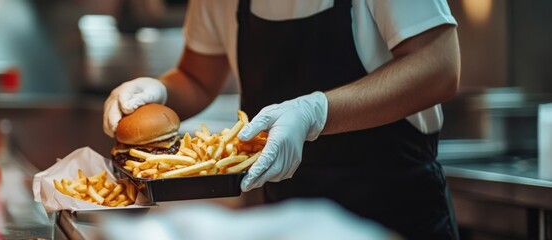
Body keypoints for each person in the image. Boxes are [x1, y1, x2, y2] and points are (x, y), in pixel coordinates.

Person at [103, 0, 461, 238]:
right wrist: (158, 91)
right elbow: (197, 79)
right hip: (284, 224)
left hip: (393, 218)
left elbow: (439, 65)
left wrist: (316, 112)